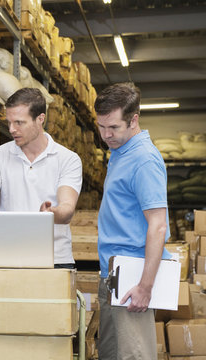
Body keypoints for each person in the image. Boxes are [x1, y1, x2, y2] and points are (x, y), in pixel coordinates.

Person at [94, 82, 171, 359]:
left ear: (134, 119)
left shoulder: (143, 160)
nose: (105, 135)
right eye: (101, 126)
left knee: (134, 355)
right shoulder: (119, 152)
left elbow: (158, 225)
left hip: (132, 277)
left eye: (113, 127)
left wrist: (145, 287)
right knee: (111, 354)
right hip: (113, 272)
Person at [0, 87, 82, 268]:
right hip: (7, 258)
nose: (12, 129)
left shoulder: (68, 159)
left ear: (40, 119)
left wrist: (50, 213)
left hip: (55, 259)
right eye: (9, 122)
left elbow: (67, 210)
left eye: (19, 123)